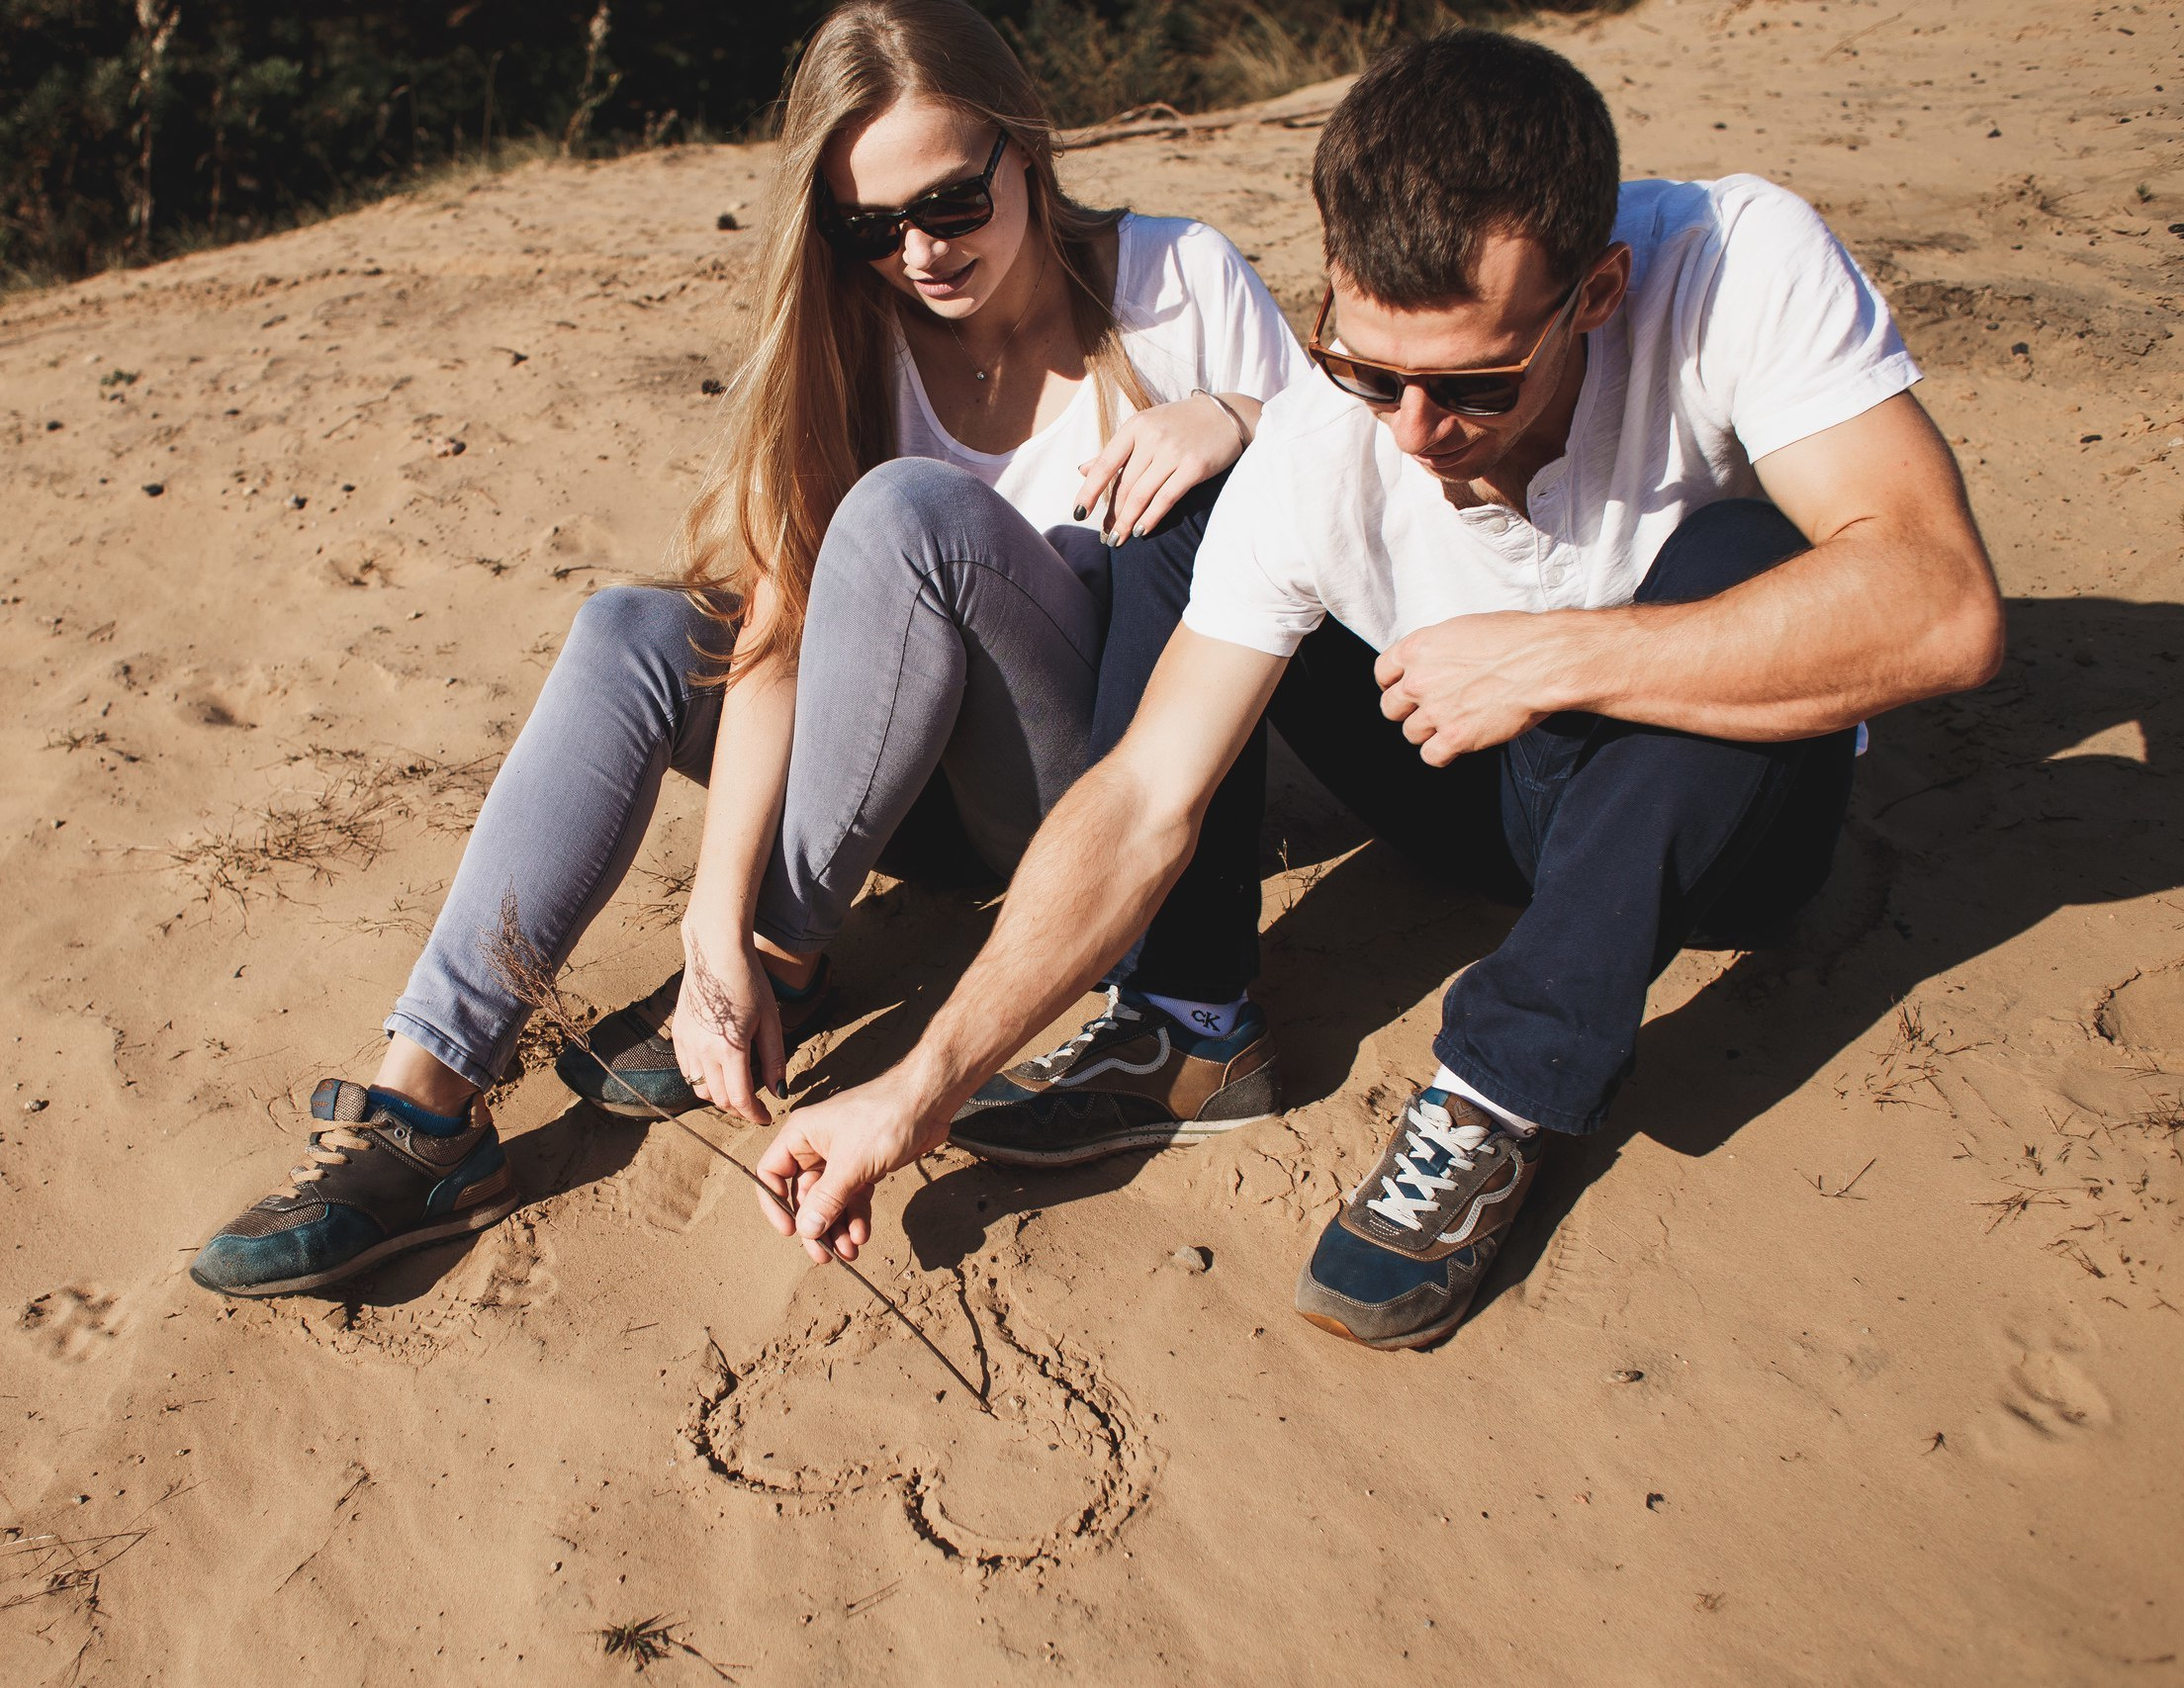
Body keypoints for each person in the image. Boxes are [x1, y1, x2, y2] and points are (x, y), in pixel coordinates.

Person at [753, 29, 2004, 1351]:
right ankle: (1181, 1027)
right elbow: (1143, 793)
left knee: (1745, 553)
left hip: (1712, 828)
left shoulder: (1734, 263)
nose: (1413, 432)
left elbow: (1943, 604)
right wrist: (920, 1088)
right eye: (1369, 370)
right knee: (1198, 504)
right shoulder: (1323, 440)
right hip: (1462, 787)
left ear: (1598, 291)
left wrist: (1559, 655)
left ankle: (1498, 1089)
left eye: (1474, 385)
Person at [185, 0, 1309, 1298]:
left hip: (1100, 802)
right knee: (634, 630)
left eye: (952, 201)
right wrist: (713, 930)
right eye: (868, 224)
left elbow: (1353, 518)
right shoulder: (854, 329)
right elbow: (775, 643)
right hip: (892, 790)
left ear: (1027, 145)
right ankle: (423, 1110)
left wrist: (1243, 416)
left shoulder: (1176, 280)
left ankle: (793, 946)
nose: (919, 252)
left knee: (912, 515)